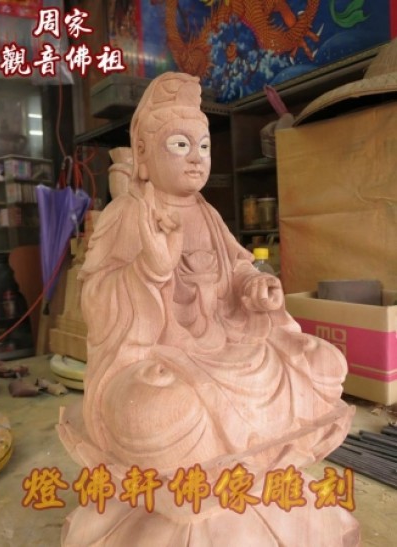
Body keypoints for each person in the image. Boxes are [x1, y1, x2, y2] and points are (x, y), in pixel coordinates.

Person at [60, 72, 359, 546]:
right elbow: (96, 299)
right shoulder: (127, 215)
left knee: (324, 364)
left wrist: (256, 286)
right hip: (165, 363)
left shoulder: (207, 212)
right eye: (180, 145)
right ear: (144, 156)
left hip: (231, 348)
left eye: (203, 146)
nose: (197, 157)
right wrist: (150, 270)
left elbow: (237, 267)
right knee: (151, 411)